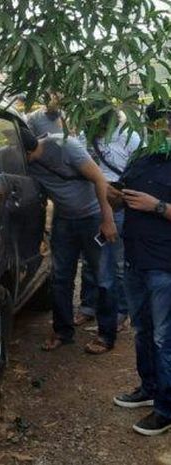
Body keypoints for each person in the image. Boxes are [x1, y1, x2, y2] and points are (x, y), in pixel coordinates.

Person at [20, 128, 118, 354]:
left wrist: (107, 220)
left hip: (93, 218)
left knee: (104, 278)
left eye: (23, 156)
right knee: (61, 278)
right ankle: (62, 331)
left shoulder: (65, 146)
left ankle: (106, 335)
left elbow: (99, 178)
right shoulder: (28, 163)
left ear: (29, 150)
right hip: (64, 220)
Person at [112, 102, 171, 436]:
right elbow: (120, 197)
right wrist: (113, 197)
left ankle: (166, 407)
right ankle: (148, 388)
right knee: (143, 330)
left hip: (165, 265)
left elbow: (154, 206)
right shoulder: (141, 159)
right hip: (135, 260)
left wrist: (158, 206)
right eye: (155, 124)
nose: (160, 130)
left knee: (166, 339)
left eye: (165, 124)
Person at [76, 110, 141, 331]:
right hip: (92, 204)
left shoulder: (129, 137)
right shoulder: (85, 138)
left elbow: (139, 168)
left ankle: (121, 312)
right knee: (90, 260)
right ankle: (88, 306)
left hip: (119, 204)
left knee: (118, 262)